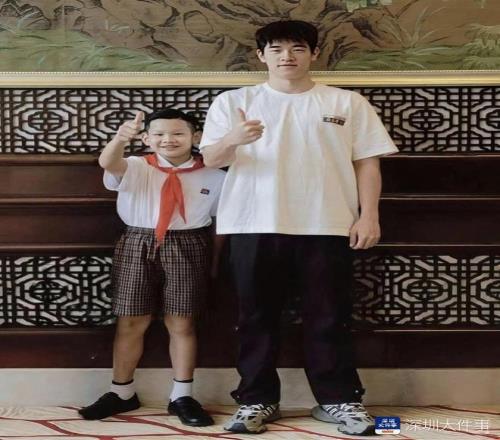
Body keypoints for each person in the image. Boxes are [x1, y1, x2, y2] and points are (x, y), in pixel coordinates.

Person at [200, 20, 398, 436]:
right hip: (253, 222)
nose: (286, 57)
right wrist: (234, 138)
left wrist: (369, 215)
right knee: (255, 317)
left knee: (329, 316)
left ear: (314, 53)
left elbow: (368, 162)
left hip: (328, 223)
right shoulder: (234, 101)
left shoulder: (346, 102)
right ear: (261, 56)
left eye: (297, 48)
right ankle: (256, 400)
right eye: (276, 49)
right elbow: (212, 160)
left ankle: (339, 399)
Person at [78, 108, 225, 427]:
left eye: (178, 133)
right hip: (137, 242)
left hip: (189, 243)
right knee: (131, 320)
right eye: (159, 134)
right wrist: (120, 138)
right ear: (146, 138)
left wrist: (215, 262)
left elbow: (219, 222)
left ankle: (182, 395)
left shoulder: (214, 175)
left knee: (182, 321)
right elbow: (107, 163)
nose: (168, 139)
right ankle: (122, 392)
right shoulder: (134, 165)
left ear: (196, 137)